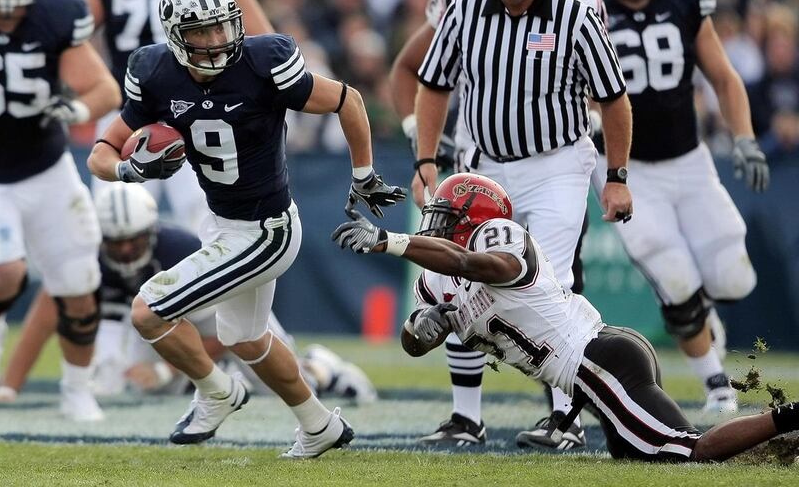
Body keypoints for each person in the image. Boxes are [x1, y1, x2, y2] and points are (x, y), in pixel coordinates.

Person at [87, 0, 404, 457]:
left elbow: (348, 100)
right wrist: (129, 171)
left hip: (266, 230)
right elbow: (100, 153)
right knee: (245, 337)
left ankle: (216, 391)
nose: (216, 41)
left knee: (148, 311)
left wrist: (363, 175)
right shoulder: (154, 71)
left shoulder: (263, 61)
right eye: (201, 32)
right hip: (223, 222)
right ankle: (319, 425)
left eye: (222, 27)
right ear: (174, 35)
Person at [332, 172, 799, 462]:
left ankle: (791, 417)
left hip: (598, 361)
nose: (437, 225)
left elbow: (475, 266)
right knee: (637, 456)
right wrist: (420, 328)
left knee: (690, 450)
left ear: (476, 220)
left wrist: (388, 241)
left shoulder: (500, 237)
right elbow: (414, 341)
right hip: (594, 371)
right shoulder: (436, 281)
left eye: (449, 217)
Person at [409, 0, 633, 449]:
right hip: (485, 166)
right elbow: (432, 84)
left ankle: (566, 419)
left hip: (557, 163)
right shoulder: (465, 8)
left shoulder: (574, 14)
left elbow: (615, 97)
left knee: (550, 282)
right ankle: (466, 419)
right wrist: (425, 159)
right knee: (454, 274)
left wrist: (616, 175)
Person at [0, 183, 377, 403]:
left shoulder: (183, 250)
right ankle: (217, 381)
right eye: (117, 243)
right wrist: (10, 387)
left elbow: (230, 329)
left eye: (133, 240)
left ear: (150, 230)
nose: (127, 251)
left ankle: (320, 367)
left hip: (214, 322)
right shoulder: (92, 257)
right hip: (154, 326)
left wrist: (165, 366)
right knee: (120, 383)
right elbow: (51, 305)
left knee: (281, 383)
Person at [591, 0, 770, 414]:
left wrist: (745, 139)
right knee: (674, 278)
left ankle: (703, 311)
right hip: (629, 169)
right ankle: (717, 384)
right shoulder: (588, 7)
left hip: (690, 161)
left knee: (732, 278)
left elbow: (723, 77)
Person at [0, 0, 121, 420]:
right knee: (6, 272)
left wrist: (77, 110)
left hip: (45, 167)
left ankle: (76, 390)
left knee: (78, 281)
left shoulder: (56, 13)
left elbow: (104, 89)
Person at [77, 0, 273, 232]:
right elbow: (72, 37)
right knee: (116, 217)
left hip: (196, 106)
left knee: (204, 215)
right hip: (130, 109)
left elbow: (259, 40)